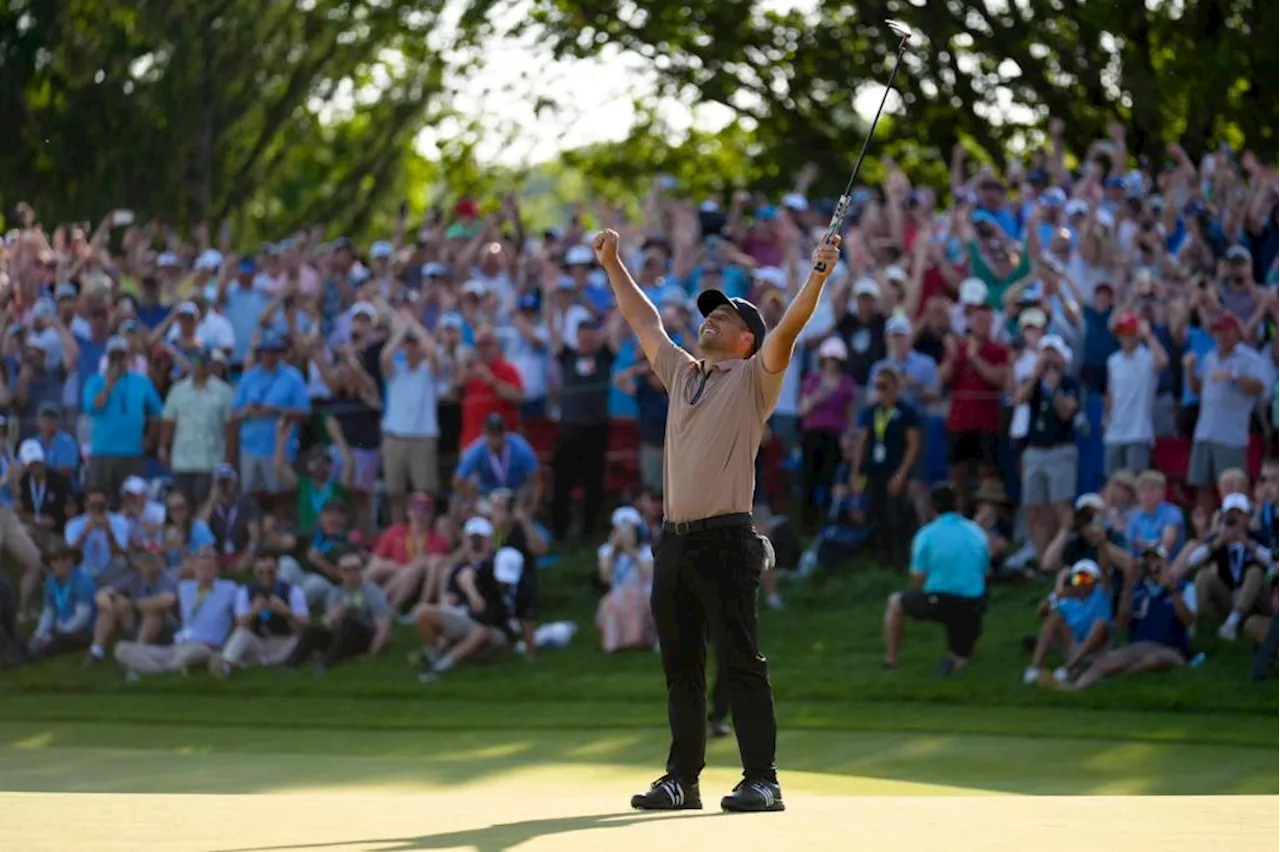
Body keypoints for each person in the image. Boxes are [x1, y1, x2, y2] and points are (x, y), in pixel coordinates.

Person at [597, 228, 838, 813]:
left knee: (740, 662)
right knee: (681, 666)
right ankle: (683, 779)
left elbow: (790, 328)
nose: (710, 321)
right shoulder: (682, 373)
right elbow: (644, 320)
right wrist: (613, 264)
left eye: (724, 317)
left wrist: (818, 273)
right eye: (709, 315)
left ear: (746, 338)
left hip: (728, 540)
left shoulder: (757, 377)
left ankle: (763, 779)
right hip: (674, 543)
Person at [1055, 544, 1197, 691]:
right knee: (1105, 662)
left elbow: (1189, 622)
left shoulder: (1184, 587)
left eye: (1156, 560)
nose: (1152, 565)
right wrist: (1128, 587)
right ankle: (1073, 689)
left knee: (1153, 661)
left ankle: (1107, 679)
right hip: (1140, 645)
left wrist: (1171, 589)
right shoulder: (1139, 590)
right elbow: (1122, 624)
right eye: (1148, 560)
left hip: (1172, 648)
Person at [882, 484, 989, 675]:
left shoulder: (926, 535)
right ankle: (958, 656)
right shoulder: (977, 532)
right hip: (974, 602)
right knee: (961, 658)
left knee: (896, 602)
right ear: (958, 504)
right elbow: (984, 571)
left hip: (940, 599)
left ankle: (891, 660)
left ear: (932, 507)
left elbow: (918, 577)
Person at [1023, 558, 1113, 685]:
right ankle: (1036, 667)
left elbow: (1105, 569)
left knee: (1101, 624)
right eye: (1078, 579)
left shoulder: (1101, 594)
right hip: (1074, 645)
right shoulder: (1067, 599)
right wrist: (1055, 596)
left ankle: (1067, 669)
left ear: (1095, 581)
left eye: (1086, 578)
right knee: (1055, 617)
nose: (1082, 583)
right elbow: (1041, 613)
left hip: (1097, 647)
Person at [28, 545, 97, 661]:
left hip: (84, 630)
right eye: (55, 560)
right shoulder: (51, 583)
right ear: (50, 564)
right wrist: (39, 634)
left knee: (59, 642)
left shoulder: (83, 581)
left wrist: (63, 632)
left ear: (72, 560)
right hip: (61, 627)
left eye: (64, 559)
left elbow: (83, 616)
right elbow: (48, 611)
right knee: (38, 639)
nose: (60, 563)